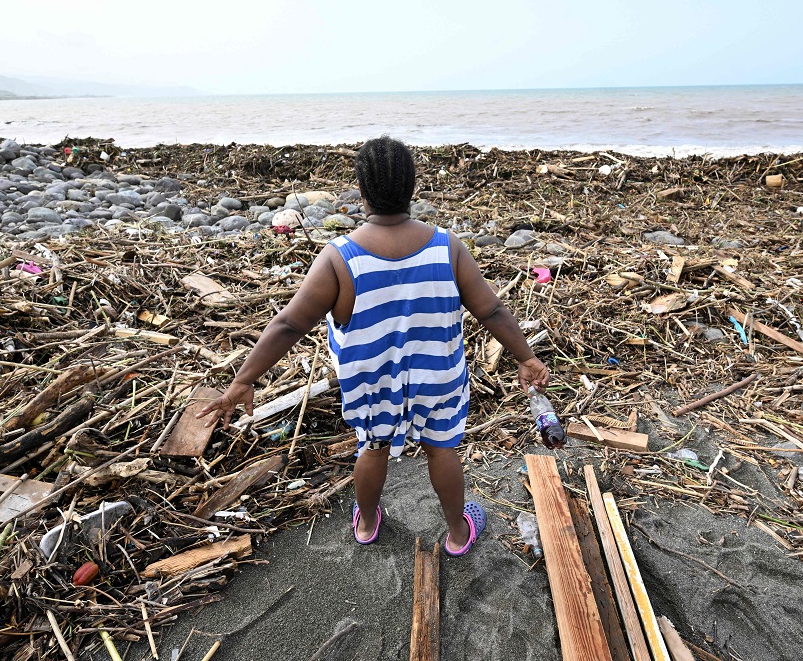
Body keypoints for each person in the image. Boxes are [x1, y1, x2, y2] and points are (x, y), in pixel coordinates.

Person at [198, 136, 549, 555]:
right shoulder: (446, 246)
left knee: (374, 447)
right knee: (442, 449)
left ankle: (366, 522)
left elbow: (290, 323)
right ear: (412, 188)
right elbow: (490, 311)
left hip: (372, 382)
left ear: (361, 192)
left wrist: (243, 380)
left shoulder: (339, 257)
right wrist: (525, 357)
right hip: (438, 375)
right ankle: (458, 532)